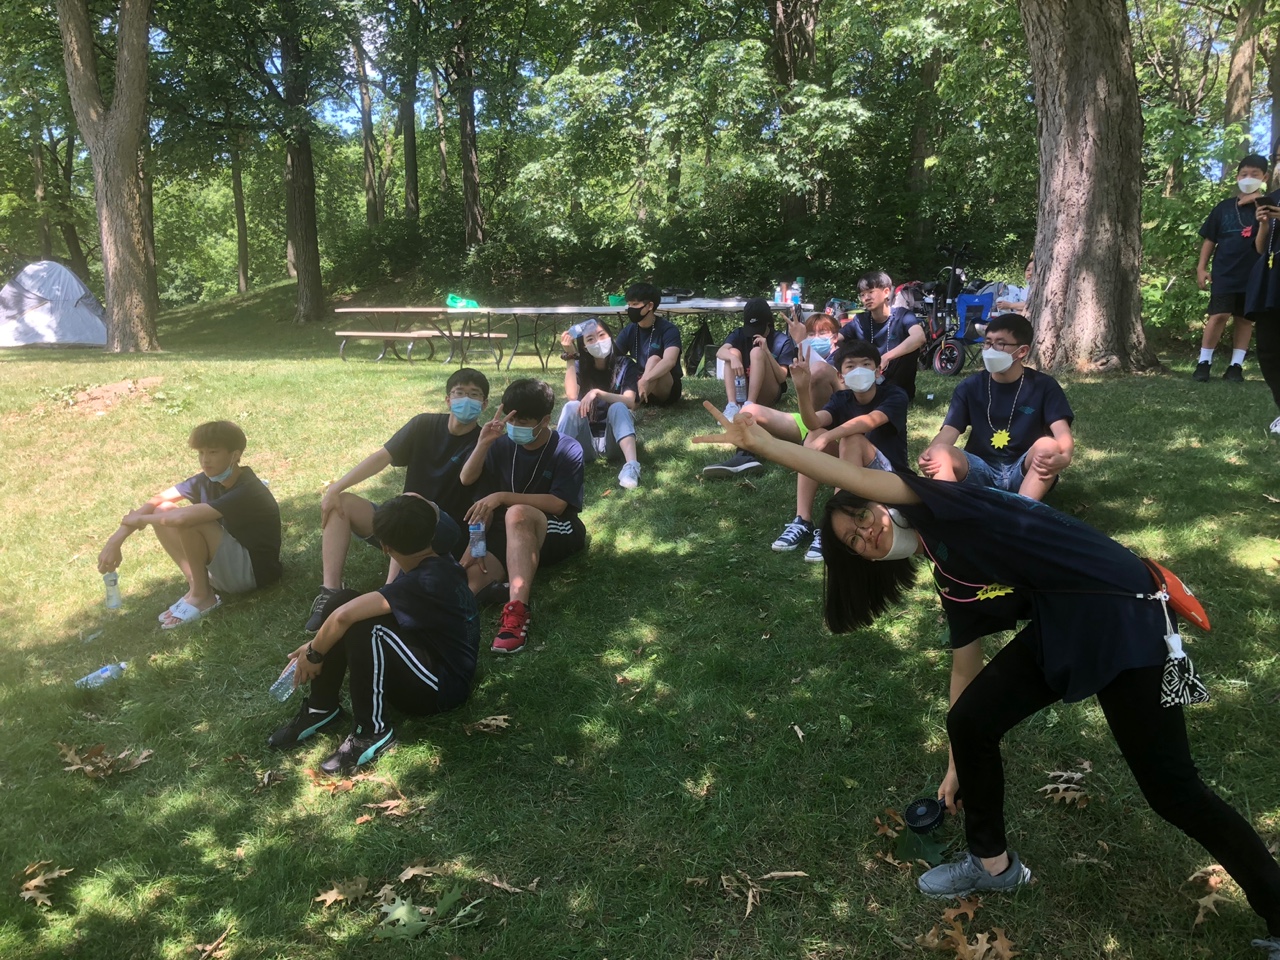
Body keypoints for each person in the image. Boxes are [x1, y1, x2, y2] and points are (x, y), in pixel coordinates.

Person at [692, 404, 1280, 954]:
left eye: (862, 517)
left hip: (1121, 612)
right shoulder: (949, 573)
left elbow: (855, 475)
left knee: (1174, 791)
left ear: (879, 503)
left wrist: (767, 446)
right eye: (853, 542)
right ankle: (992, 864)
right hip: (1065, 620)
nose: (866, 533)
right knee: (971, 720)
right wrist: (957, 764)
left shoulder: (940, 504)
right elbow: (964, 667)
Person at [268, 494, 479, 777]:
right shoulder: (436, 558)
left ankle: (373, 731)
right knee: (341, 600)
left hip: (443, 687)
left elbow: (345, 618)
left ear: (384, 547)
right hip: (424, 654)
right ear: (432, 532)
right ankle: (322, 708)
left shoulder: (424, 581)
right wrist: (316, 644)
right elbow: (343, 611)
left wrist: (314, 652)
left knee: (366, 628)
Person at [304, 369, 488, 631]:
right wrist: (336, 488)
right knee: (341, 503)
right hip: (403, 522)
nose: (466, 400)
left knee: (409, 505)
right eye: (460, 393)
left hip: (444, 534)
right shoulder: (423, 425)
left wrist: (476, 549)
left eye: (474, 395)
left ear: (484, 404)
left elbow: (485, 503)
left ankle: (388, 592)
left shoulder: (485, 442)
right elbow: (381, 457)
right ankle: (330, 592)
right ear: (448, 399)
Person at [97, 420, 281, 628]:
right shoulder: (207, 479)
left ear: (235, 455)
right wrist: (115, 540)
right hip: (225, 570)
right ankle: (196, 587)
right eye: (201, 453)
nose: (205, 460)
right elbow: (156, 501)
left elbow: (183, 519)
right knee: (163, 509)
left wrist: (140, 520)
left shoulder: (248, 489)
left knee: (190, 520)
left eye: (213, 452)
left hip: (254, 574)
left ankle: (203, 596)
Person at [459, 379, 586, 654]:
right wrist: (476, 545)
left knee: (516, 513)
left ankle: (516, 611)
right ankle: (481, 598)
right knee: (470, 582)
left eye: (523, 421)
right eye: (511, 419)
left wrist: (504, 497)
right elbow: (476, 493)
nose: (514, 426)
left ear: (545, 420)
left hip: (557, 528)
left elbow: (558, 504)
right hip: (507, 530)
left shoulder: (567, 448)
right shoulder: (500, 446)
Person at [770, 340, 910, 562]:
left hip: (890, 478)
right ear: (841, 376)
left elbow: (869, 421)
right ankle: (803, 519)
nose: (859, 370)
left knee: (851, 438)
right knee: (814, 434)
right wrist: (802, 390)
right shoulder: (841, 399)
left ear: (877, 371)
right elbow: (814, 422)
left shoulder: (895, 395)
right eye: (851, 366)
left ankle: (835, 524)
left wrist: (829, 436)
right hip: (856, 471)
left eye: (866, 364)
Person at [917, 313, 1073, 501]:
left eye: (1000, 344)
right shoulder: (970, 386)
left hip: (1023, 469)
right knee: (938, 453)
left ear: (1022, 351)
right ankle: (958, 512)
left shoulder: (1044, 386)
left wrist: (1065, 456)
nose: (991, 350)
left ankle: (1021, 511)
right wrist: (928, 455)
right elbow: (949, 430)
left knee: (1048, 445)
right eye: (988, 343)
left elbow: (1062, 432)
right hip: (979, 468)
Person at [1195, 154, 1274, 383]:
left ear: (1264, 177)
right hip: (1224, 272)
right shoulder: (1223, 208)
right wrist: (1201, 268)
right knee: (1218, 315)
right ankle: (1204, 362)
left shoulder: (1268, 207)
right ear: (1237, 177)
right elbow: (1210, 239)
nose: (1248, 178)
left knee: (1245, 319)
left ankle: (1235, 366)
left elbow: (1264, 244)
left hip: (1254, 273)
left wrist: (1262, 212)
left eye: (1254, 174)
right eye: (1244, 174)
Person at [702, 298, 800, 478]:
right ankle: (732, 405)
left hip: (768, 391)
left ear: (768, 324)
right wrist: (733, 358)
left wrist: (766, 352)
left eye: (758, 328)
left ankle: (750, 404)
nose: (753, 333)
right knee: (731, 352)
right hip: (742, 388)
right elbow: (720, 352)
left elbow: (781, 377)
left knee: (756, 352)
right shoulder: (739, 334)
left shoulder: (781, 340)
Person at [555, 318, 643, 489]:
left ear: (610, 336)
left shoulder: (625, 364)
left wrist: (597, 393)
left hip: (614, 441)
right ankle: (555, 463)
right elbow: (572, 395)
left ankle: (632, 467)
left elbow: (630, 401)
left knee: (619, 406)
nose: (598, 341)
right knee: (571, 406)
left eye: (602, 335)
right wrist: (570, 357)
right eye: (590, 339)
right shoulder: (580, 366)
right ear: (584, 347)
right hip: (585, 444)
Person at [835, 270, 926, 400]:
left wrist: (886, 357)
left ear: (886, 292)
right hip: (865, 386)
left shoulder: (903, 316)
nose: (866, 298)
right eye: (862, 295)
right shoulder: (860, 320)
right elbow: (835, 338)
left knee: (910, 345)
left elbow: (919, 337)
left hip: (897, 388)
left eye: (871, 292)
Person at [1242, 185, 1280, 436]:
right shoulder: (1274, 197)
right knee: (1268, 350)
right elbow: (1260, 248)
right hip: (1271, 279)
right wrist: (1264, 223)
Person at [616, 282, 682, 405]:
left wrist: (646, 379)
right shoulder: (629, 330)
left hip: (665, 387)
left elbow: (670, 361)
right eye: (629, 304)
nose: (630, 308)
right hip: (639, 381)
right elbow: (614, 356)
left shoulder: (668, 330)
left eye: (635, 304)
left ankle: (632, 406)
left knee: (654, 359)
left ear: (650, 306)